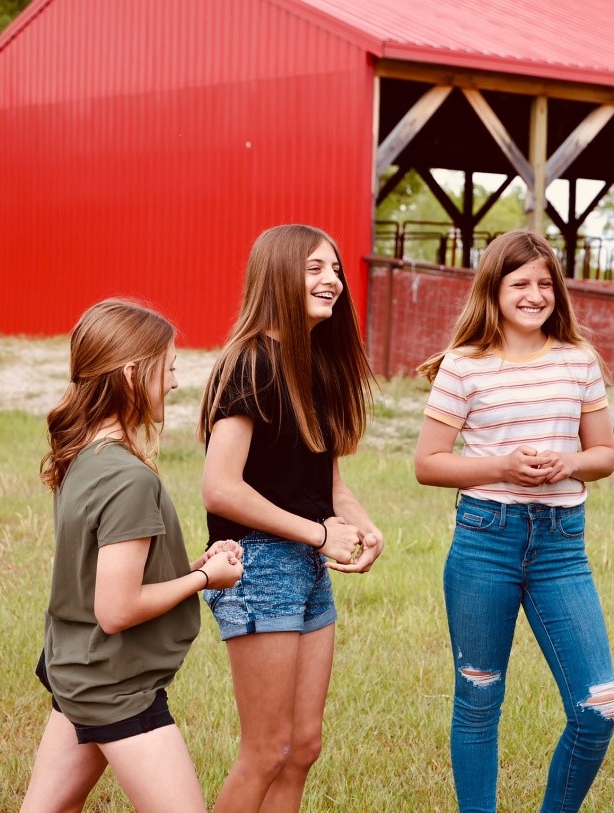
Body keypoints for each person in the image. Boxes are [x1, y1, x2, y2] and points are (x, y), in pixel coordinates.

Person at [414, 230, 614, 813]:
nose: (534, 295)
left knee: (598, 706)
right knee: (479, 698)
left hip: (561, 547)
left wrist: (569, 462)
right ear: (494, 291)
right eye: (520, 284)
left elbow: (603, 455)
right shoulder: (464, 367)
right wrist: (501, 465)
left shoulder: (579, 361)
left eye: (544, 283)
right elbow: (428, 464)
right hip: (485, 541)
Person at [21, 298, 244, 813]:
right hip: (113, 685)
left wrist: (185, 569)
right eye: (168, 368)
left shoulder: (82, 456)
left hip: (75, 667)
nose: (174, 382)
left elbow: (105, 576)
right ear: (131, 373)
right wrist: (206, 579)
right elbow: (117, 609)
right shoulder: (128, 478)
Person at [198, 224, 383, 812]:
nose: (332, 280)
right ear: (276, 274)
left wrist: (362, 525)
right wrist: (319, 533)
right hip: (255, 568)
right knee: (267, 749)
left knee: (303, 746)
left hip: (306, 565)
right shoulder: (249, 362)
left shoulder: (314, 368)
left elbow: (326, 485)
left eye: (335, 270)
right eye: (314, 269)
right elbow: (220, 488)